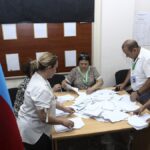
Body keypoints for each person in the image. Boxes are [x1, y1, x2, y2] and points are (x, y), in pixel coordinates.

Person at [17, 52, 74, 150]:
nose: (56, 71)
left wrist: (65, 109)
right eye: (55, 68)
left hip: (33, 126)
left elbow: (50, 99)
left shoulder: (40, 77)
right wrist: (62, 121)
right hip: (33, 131)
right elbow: (43, 118)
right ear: (48, 68)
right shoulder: (40, 87)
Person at [116, 40, 150, 104]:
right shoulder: (136, 55)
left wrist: (138, 93)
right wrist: (124, 83)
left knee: (139, 111)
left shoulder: (147, 58)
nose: (126, 56)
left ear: (134, 50)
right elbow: (132, 69)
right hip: (136, 90)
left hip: (145, 92)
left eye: (127, 54)